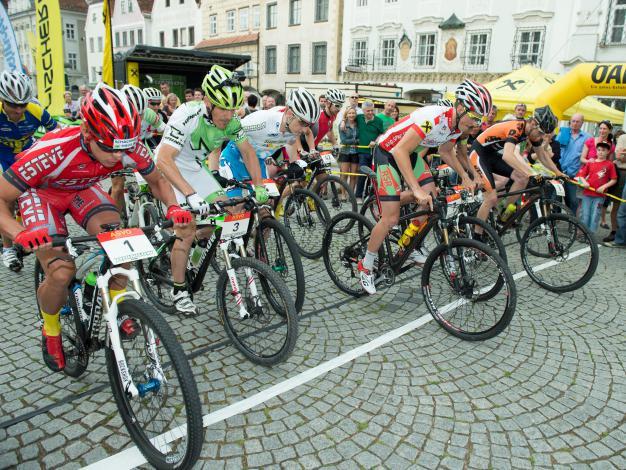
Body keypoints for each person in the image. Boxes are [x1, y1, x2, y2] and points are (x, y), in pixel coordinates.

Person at [0, 83, 192, 371]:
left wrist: (174, 207)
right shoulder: (51, 151)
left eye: (124, 149)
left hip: (81, 189)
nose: (118, 157)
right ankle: (51, 330)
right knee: (61, 270)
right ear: (87, 132)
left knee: (123, 248)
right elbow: (2, 198)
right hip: (41, 194)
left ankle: (116, 307)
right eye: (109, 148)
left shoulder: (125, 144)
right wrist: (19, 233)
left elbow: (157, 180)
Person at [357, 80, 492, 295]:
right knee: (391, 218)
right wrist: (416, 190)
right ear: (460, 107)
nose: (477, 123)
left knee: (432, 197)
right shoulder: (435, 117)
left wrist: (466, 176)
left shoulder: (458, 126)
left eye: (481, 119)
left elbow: (447, 152)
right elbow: (399, 151)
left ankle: (408, 243)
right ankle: (366, 263)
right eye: (475, 117)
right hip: (388, 153)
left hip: (409, 154)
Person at [155, 65, 269, 312]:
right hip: (170, 167)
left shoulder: (232, 121)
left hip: (194, 167)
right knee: (186, 228)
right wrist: (190, 195)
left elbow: (248, 152)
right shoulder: (186, 115)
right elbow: (163, 159)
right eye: (222, 109)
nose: (228, 116)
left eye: (231, 109)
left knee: (225, 214)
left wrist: (259, 186)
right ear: (207, 101)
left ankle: (194, 255)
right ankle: (179, 288)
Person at [471, 105, 567, 230]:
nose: (540, 136)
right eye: (540, 132)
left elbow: (542, 155)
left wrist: (558, 172)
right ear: (533, 123)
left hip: (491, 155)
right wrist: (530, 173)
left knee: (521, 178)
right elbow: (507, 156)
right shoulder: (517, 127)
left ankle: (504, 216)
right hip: (477, 154)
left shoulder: (531, 132)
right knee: (491, 198)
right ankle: (477, 237)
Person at [0, 71, 58, 272]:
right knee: (5, 199)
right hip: (3, 155)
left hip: (26, 153)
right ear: (2, 100)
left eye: (22, 105)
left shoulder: (35, 110)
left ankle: (25, 224)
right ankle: (7, 249)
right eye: (12, 104)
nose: (17, 110)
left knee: (31, 193)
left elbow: (58, 134)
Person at [220, 87, 318, 201]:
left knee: (267, 205)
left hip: (258, 163)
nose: (304, 129)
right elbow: (225, 132)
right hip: (234, 158)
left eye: (308, 125)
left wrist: (294, 163)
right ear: (289, 113)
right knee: (237, 205)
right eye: (302, 123)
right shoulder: (262, 121)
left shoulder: (294, 128)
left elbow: (291, 143)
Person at [109, 84, 168, 214]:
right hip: (118, 148)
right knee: (118, 186)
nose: (138, 118)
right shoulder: (114, 115)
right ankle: (114, 223)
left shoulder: (150, 114)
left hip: (138, 146)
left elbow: (165, 130)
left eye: (141, 115)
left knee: (156, 181)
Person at [576, 141, 617, 233]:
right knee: (585, 214)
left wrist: (604, 187)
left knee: (595, 215)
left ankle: (591, 235)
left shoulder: (610, 164)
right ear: (596, 151)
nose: (601, 152)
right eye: (599, 150)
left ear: (608, 152)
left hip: (599, 196)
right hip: (587, 194)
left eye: (603, 150)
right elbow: (579, 176)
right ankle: (584, 233)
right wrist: (584, 182)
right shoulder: (590, 163)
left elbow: (613, 179)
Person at [557, 113, 590, 214]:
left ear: (582, 123)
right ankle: (555, 219)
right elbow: (554, 149)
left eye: (578, 122)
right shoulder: (563, 133)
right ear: (570, 122)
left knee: (573, 200)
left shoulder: (587, 137)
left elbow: (588, 156)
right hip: (558, 171)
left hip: (574, 174)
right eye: (573, 121)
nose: (575, 124)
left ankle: (572, 222)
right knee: (556, 198)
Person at [354, 100, 385, 202]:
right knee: (363, 173)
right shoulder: (359, 118)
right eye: (368, 111)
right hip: (362, 151)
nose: (371, 113)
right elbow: (347, 116)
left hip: (374, 152)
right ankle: (358, 196)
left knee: (372, 174)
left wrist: (375, 141)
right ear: (363, 111)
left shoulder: (378, 121)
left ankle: (369, 195)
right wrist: (344, 122)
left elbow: (382, 134)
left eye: (372, 110)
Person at [605, 129, 626, 242]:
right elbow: (619, 156)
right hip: (621, 172)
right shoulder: (623, 138)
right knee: (616, 205)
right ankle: (614, 231)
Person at [338, 107, 360, 194]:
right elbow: (343, 141)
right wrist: (356, 141)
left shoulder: (358, 124)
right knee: (344, 175)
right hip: (345, 152)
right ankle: (343, 194)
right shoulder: (342, 124)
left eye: (353, 113)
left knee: (353, 175)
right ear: (346, 115)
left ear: (355, 114)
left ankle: (351, 194)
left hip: (356, 152)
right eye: (349, 113)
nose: (351, 115)